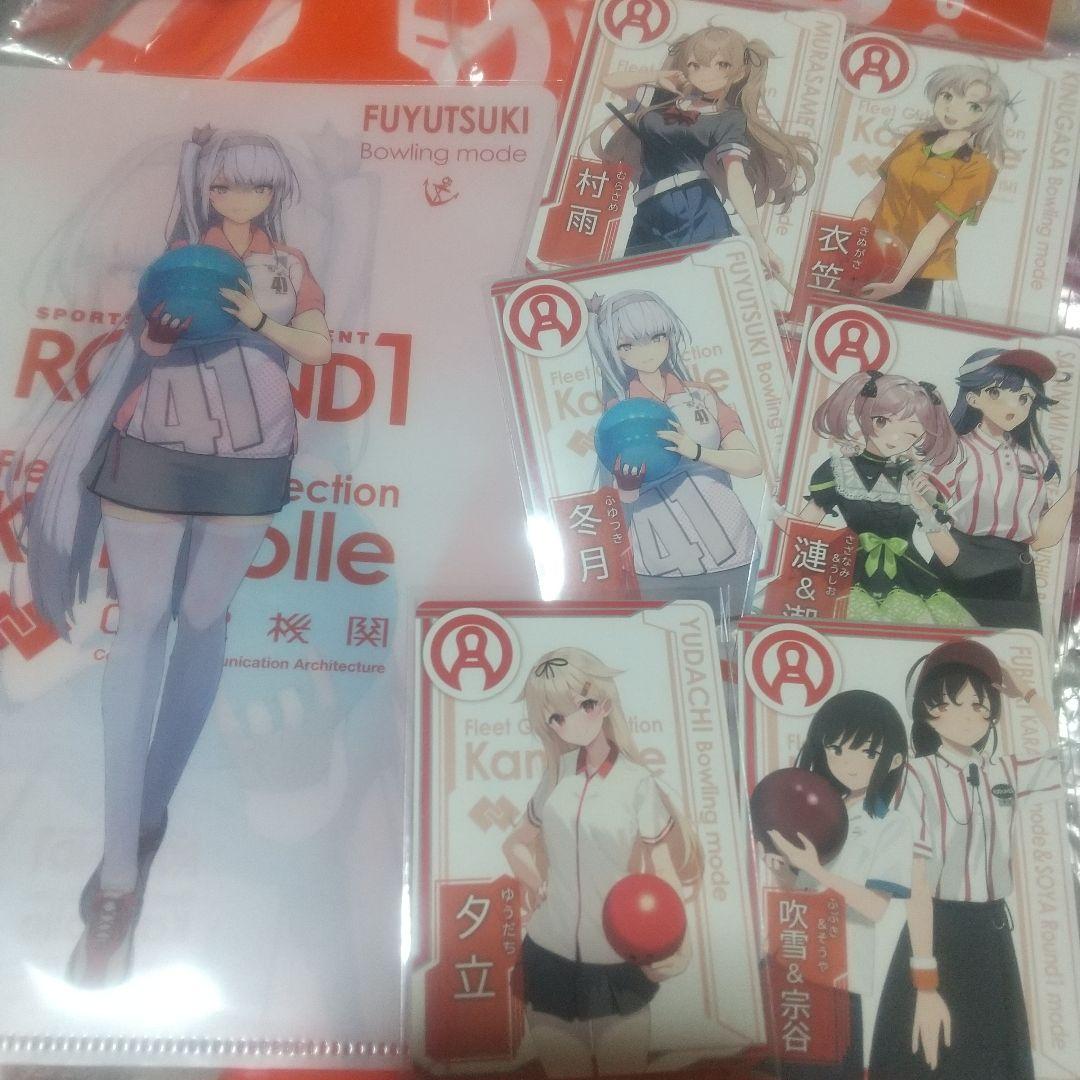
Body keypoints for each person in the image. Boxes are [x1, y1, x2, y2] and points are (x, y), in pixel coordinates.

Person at [22, 126, 332, 986]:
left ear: (274, 195)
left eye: (254, 188)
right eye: (225, 187)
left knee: (202, 617)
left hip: (251, 456)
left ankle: (146, 813)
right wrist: (159, 334)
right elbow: (142, 350)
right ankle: (119, 874)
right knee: (142, 624)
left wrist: (259, 319)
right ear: (206, 190)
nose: (239, 201)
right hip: (156, 445)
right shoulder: (172, 261)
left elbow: (318, 345)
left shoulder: (288, 266)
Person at [502, 648, 702, 1077]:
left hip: (617, 956)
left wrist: (677, 941)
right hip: (548, 954)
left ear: (604, 704)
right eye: (556, 718)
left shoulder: (636, 782)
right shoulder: (555, 774)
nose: (568, 723)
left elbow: (664, 871)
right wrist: (539, 883)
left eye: (582, 706)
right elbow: (514, 845)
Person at [869, 640, 1063, 1078]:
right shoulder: (915, 774)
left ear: (993, 713)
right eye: (952, 703)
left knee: (992, 1059)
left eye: (979, 704)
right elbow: (918, 881)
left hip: (992, 934)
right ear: (927, 710)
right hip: (938, 932)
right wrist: (925, 984)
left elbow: (1070, 752)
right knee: (930, 1060)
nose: (968, 715)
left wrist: (1027, 692)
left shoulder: (1003, 771)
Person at [588, 289, 763, 625]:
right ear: (615, 351)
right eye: (628, 344)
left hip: (732, 547)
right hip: (661, 561)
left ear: (669, 336)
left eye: (657, 337)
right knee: (674, 645)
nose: (646, 351)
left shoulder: (701, 395)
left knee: (741, 636)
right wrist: (628, 487)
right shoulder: (618, 413)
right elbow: (613, 502)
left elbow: (751, 463)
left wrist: (696, 451)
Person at [765, 691, 912, 1078]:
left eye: (868, 753)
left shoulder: (890, 824)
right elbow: (805, 890)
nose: (848, 763)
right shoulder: (819, 809)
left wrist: (816, 869)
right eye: (837, 749)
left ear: (894, 760)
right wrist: (784, 872)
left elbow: (875, 907)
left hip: (840, 971)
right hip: (796, 960)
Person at [595, 25, 816, 274]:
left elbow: (735, 175)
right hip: (649, 207)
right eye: (695, 64)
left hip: (695, 208)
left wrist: (759, 241)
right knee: (631, 281)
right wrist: (658, 75)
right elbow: (609, 81)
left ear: (739, 72)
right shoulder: (663, 99)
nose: (706, 73)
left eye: (721, 64)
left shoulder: (728, 118)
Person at [798, 371, 971, 626]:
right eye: (882, 421)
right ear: (864, 414)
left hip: (910, 578)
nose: (894, 438)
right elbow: (802, 530)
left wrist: (924, 508)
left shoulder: (917, 479)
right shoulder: (839, 469)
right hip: (846, 572)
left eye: (910, 433)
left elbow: (949, 556)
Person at [928, 348, 1076, 631]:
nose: (1014, 406)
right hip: (960, 565)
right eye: (996, 392)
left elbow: (1041, 538)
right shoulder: (957, 451)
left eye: (1024, 398)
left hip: (1016, 574)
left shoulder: (1034, 460)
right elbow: (927, 509)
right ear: (972, 398)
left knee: (1014, 649)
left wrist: (1071, 492)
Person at [854, 65, 1012, 316]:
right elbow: (873, 198)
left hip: (921, 276)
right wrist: (851, 242)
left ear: (988, 114)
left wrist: (897, 284)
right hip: (873, 256)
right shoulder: (915, 139)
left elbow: (935, 231)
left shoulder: (978, 167)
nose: (953, 109)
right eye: (947, 96)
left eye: (973, 106)